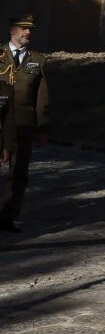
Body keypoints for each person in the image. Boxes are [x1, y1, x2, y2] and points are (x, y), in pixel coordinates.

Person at [0, 18, 48, 233]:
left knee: (19, 172)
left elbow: (42, 96)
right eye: (24, 29)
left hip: (23, 124)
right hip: (0, 122)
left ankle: (8, 215)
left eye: (30, 30)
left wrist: (42, 126)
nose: (28, 33)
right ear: (12, 31)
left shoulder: (37, 59)